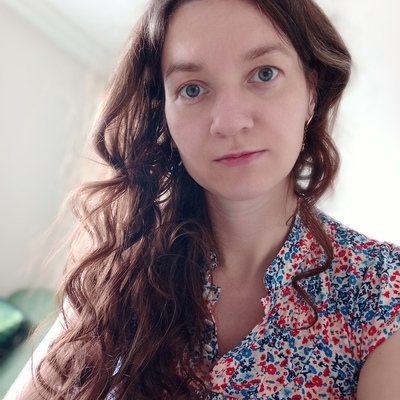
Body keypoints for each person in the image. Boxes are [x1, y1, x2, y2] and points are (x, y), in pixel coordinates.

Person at [7, 0, 400, 399]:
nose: (229, 122)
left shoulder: (383, 287)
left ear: (312, 91)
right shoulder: (117, 273)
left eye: (264, 73)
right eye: (192, 89)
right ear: (164, 114)